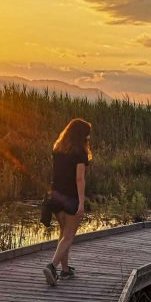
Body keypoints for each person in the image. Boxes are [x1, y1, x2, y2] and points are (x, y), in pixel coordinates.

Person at [43, 118, 91, 285]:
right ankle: (52, 267)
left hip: (55, 196)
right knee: (69, 235)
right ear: (81, 136)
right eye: (87, 135)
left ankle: (65, 270)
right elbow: (80, 179)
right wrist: (81, 202)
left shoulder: (58, 149)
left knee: (63, 234)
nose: (88, 139)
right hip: (71, 198)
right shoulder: (80, 153)